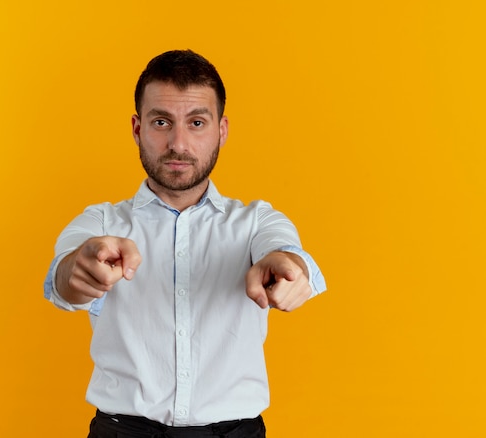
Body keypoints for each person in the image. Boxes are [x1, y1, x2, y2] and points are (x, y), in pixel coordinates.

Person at [43, 49, 326, 438]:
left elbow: (284, 250)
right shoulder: (101, 222)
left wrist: (288, 267)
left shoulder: (257, 221)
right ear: (137, 127)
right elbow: (63, 277)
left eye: (196, 122)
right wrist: (79, 269)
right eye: (161, 122)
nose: (178, 143)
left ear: (221, 130)